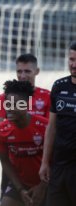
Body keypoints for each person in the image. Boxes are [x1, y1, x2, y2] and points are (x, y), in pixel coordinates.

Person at [0, 53, 51, 200]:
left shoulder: (47, 96)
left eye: (27, 71)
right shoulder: (4, 96)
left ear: (36, 71)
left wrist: (28, 122)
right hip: (16, 161)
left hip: (41, 162)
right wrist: (18, 123)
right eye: (19, 71)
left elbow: (50, 130)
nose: (23, 75)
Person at [39, 41, 76, 206]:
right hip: (59, 166)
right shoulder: (59, 86)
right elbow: (51, 126)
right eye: (71, 60)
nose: (74, 65)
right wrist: (45, 162)